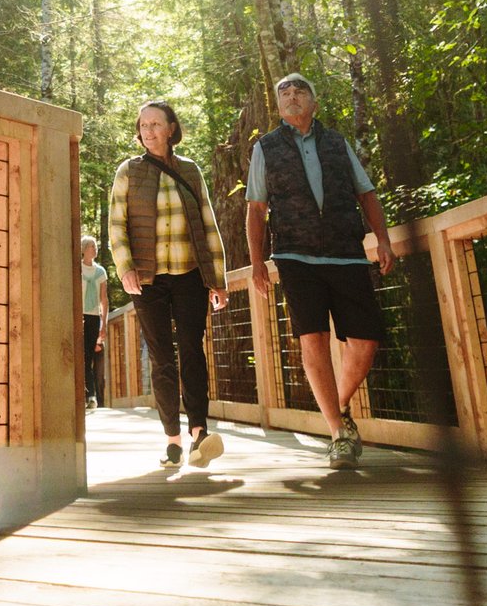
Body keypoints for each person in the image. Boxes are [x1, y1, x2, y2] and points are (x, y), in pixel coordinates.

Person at [245, 73, 394, 468]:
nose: (292, 98)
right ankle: (338, 434)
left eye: (300, 92)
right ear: (278, 106)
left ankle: (338, 406)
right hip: (295, 256)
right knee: (312, 339)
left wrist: (383, 239)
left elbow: (367, 193)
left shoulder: (337, 143)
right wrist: (257, 262)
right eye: (285, 94)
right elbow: (256, 209)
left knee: (365, 341)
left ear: (314, 102)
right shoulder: (265, 147)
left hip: (346, 251)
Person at [106, 100, 230, 468]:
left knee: (192, 349)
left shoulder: (190, 171)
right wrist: (124, 267)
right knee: (162, 358)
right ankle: (172, 441)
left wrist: (218, 280)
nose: (148, 131)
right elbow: (117, 226)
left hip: (190, 275)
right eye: (143, 125)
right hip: (147, 280)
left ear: (171, 128)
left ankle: (199, 434)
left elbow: (209, 225)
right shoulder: (128, 171)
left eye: (156, 124)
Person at [78, 234, 109, 408]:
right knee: (80, 356)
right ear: (83, 250)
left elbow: (104, 299)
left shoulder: (100, 272)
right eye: (91, 246)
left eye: (95, 246)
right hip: (78, 315)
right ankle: (86, 395)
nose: (95, 248)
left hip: (93, 317)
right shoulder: (78, 269)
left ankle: (91, 396)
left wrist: (103, 324)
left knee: (88, 356)